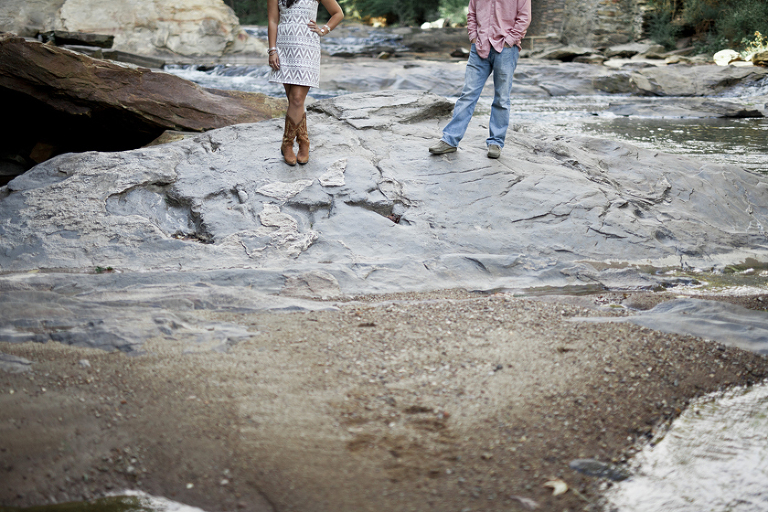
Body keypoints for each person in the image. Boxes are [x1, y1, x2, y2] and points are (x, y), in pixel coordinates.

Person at [429, 0, 531, 159]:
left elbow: (524, 18)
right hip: (479, 48)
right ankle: (449, 140)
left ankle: (495, 142)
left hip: (505, 50)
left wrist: (509, 42)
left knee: (502, 98)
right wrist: (473, 37)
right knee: (467, 95)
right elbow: (471, 14)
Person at [268, 0, 344, 165]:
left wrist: (324, 29)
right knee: (294, 101)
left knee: (296, 99)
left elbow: (338, 13)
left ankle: (287, 143)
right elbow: (273, 21)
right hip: (285, 47)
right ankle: (303, 139)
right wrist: (272, 50)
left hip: (307, 47)